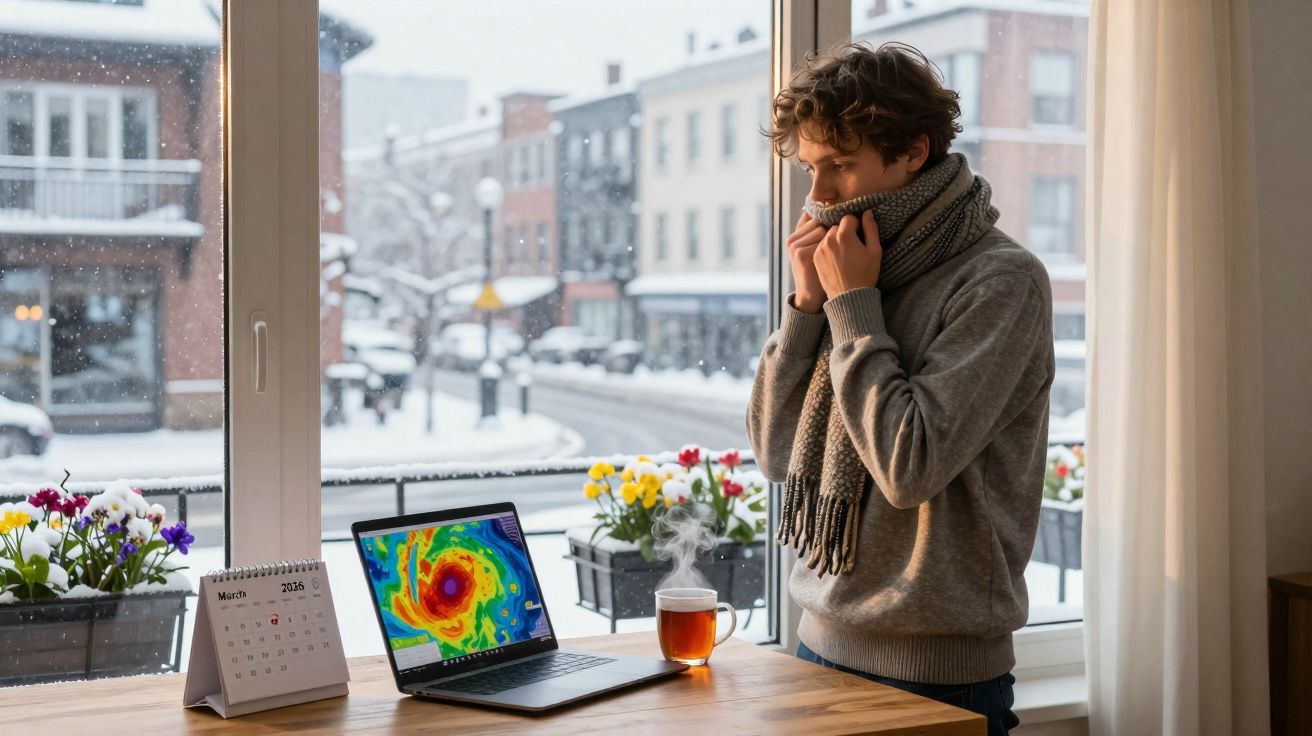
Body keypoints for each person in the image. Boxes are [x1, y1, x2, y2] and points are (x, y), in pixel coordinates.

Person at [747, 42, 1054, 735]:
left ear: (913, 152)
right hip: (816, 649)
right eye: (809, 170)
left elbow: (908, 466)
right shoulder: (849, 268)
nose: (818, 197)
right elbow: (773, 454)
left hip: (941, 679)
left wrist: (852, 305)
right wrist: (805, 309)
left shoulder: (1000, 282)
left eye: (840, 167)